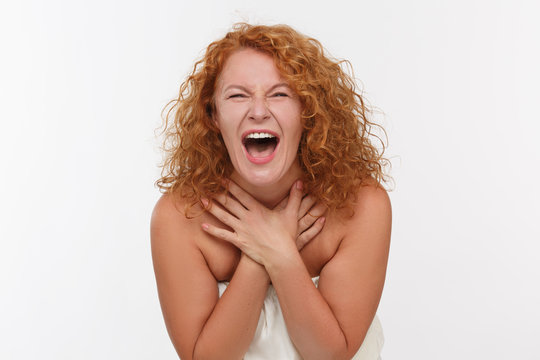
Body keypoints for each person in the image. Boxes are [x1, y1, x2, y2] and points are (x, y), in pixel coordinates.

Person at [151, 23, 391, 360]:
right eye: (238, 95)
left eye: (280, 94)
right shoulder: (179, 216)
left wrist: (281, 257)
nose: (259, 110)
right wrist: (261, 252)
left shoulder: (363, 205)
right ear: (213, 115)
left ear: (307, 112)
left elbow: (331, 356)